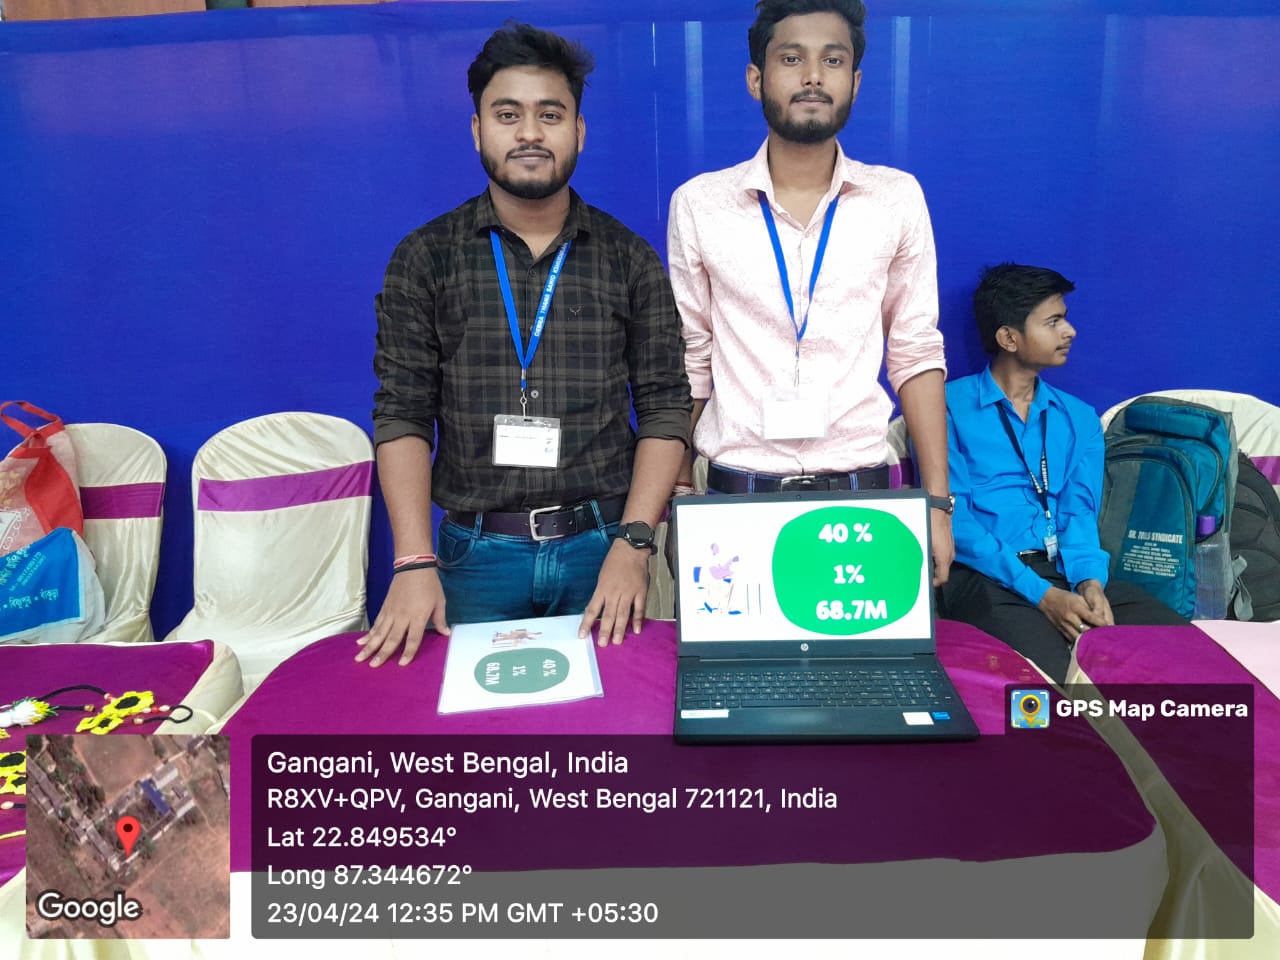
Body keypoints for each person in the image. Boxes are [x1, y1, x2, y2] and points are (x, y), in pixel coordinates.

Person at [361, 22, 692, 667]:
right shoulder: (426, 257)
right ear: (478, 129)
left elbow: (664, 408)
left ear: (579, 130)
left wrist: (634, 545)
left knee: (617, 721)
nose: (530, 133)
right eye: (508, 115)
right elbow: (402, 413)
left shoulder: (628, 259)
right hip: (472, 560)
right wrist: (412, 560)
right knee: (476, 725)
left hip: (603, 552)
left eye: (551, 114)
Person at [666, 0, 955, 585]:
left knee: (863, 651)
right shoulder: (699, 204)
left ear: (856, 82)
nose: (814, 76)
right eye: (792, 59)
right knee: (734, 649)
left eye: (833, 60)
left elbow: (916, 353)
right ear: (756, 79)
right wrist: (672, 491)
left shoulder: (896, 198)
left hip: (863, 500)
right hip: (734, 498)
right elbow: (692, 359)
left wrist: (937, 504)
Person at [938, 263, 1186, 682]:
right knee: (1056, 679)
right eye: (1053, 322)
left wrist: (1090, 582)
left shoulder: (1079, 418)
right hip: (985, 575)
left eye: (1065, 319)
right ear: (1008, 337)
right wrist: (1042, 596)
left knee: (1185, 652)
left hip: (1063, 570)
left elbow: (1078, 513)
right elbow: (954, 522)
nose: (1070, 331)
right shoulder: (945, 407)